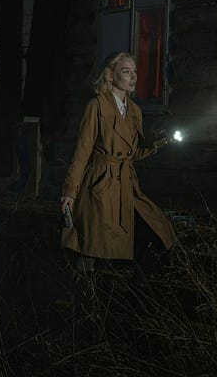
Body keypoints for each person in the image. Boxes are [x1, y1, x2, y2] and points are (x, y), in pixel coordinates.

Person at [60, 51, 177, 274]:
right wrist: (70, 192)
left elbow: (130, 154)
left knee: (156, 229)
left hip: (126, 185)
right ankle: (86, 299)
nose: (133, 77)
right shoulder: (97, 106)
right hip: (101, 185)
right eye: (126, 71)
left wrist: (159, 143)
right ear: (111, 76)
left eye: (134, 72)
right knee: (93, 246)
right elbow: (82, 151)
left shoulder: (134, 111)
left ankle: (125, 293)